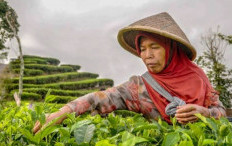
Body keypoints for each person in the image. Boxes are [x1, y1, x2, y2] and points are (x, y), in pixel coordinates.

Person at [33, 12, 226, 134]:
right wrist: (63, 112)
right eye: (142, 49)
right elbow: (101, 98)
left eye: (155, 47)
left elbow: (221, 112)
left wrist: (205, 114)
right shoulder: (140, 87)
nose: (147, 55)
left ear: (171, 49)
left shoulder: (198, 78)